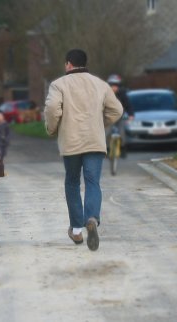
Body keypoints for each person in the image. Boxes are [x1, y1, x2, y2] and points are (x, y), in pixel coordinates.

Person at [44, 49, 123, 251]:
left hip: (71, 142)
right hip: (94, 141)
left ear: (68, 64)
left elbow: (53, 109)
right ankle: (92, 218)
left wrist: (52, 128)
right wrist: (100, 124)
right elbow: (117, 110)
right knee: (92, 181)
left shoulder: (58, 85)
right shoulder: (100, 84)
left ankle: (77, 230)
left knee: (72, 182)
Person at [107, 74, 134, 157]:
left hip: (120, 117)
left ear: (119, 87)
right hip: (109, 118)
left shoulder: (122, 94)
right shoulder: (105, 94)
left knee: (122, 132)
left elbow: (128, 105)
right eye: (112, 86)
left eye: (116, 86)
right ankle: (107, 149)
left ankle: (123, 148)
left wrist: (131, 115)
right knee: (106, 133)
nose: (114, 88)